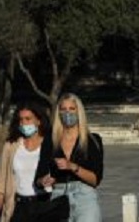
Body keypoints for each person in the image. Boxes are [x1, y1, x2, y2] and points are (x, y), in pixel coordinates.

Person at [0, 102, 66, 222]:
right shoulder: (11, 145)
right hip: (20, 206)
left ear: (39, 121)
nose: (24, 123)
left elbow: (61, 173)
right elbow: (2, 181)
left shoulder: (50, 144)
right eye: (21, 119)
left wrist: (53, 179)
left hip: (45, 204)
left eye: (28, 119)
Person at [39, 93, 104, 222]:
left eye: (71, 109)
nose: (67, 113)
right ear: (58, 113)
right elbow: (39, 175)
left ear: (78, 112)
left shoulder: (92, 141)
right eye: (63, 109)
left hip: (84, 196)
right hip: (59, 195)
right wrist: (43, 181)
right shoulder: (50, 141)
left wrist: (73, 166)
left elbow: (95, 179)